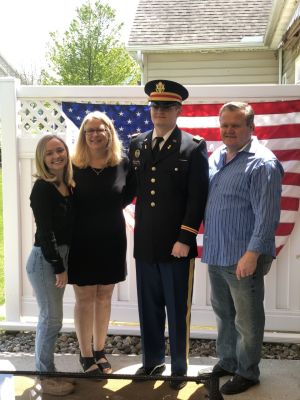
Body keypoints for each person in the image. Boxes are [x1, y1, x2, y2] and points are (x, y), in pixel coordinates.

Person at [129, 79, 209, 390]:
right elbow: (131, 189)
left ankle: (179, 367)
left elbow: (197, 198)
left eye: (166, 107)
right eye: (155, 106)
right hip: (145, 244)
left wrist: (185, 239)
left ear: (178, 110)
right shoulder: (137, 143)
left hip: (176, 245)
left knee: (177, 309)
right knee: (148, 308)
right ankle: (152, 362)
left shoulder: (193, 146)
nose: (159, 112)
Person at [202, 102, 284, 395]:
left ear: (251, 127)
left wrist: (252, 254)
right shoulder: (217, 157)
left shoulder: (262, 163)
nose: (229, 130)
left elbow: (267, 215)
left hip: (242, 257)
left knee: (247, 320)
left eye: (235, 125)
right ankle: (228, 360)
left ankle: (248, 372)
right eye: (224, 125)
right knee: (223, 312)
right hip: (216, 252)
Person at [68, 111, 134, 375]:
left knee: (104, 296)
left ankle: (100, 350)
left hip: (111, 238)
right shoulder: (72, 164)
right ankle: (85, 355)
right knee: (84, 297)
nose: (95, 134)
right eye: (89, 130)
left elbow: (129, 194)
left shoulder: (122, 164)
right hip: (80, 240)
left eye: (100, 129)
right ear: (83, 135)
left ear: (109, 132)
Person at [26, 134, 75, 396]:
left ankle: (48, 371)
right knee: (51, 319)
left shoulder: (67, 184)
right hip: (45, 260)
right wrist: (58, 266)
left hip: (59, 256)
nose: (56, 156)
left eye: (60, 150)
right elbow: (45, 232)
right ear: (42, 159)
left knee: (51, 318)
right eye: (49, 153)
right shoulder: (42, 189)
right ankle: (45, 377)